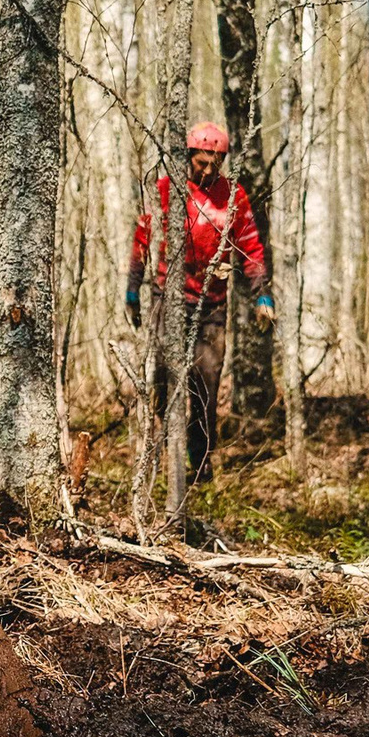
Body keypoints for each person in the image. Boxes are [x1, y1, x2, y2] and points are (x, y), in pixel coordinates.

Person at [126, 122, 273, 481]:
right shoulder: (166, 189)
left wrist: (262, 294)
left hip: (212, 307)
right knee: (163, 377)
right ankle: (161, 453)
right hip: (168, 298)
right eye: (200, 163)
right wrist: (132, 289)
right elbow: (142, 239)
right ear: (189, 156)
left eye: (214, 164)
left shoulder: (234, 197)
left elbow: (251, 248)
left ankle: (201, 462)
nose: (207, 171)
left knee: (205, 386)